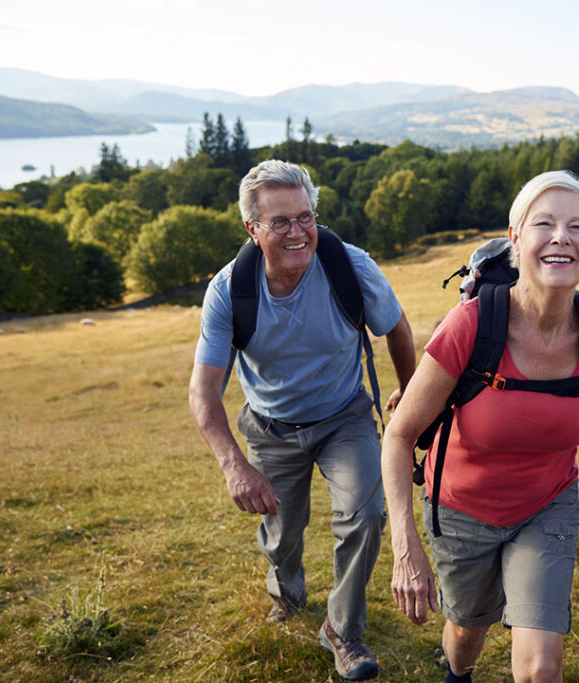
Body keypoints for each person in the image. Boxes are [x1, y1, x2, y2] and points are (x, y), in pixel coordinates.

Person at [381, 170, 579, 682]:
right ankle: (458, 672)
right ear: (516, 240)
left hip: (546, 506)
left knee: (542, 667)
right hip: (460, 509)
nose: (561, 237)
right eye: (544, 223)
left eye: (578, 227)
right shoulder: (473, 325)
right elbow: (399, 434)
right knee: (465, 636)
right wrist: (404, 545)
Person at [189, 160, 416, 682]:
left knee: (365, 516)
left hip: (345, 418)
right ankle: (287, 591)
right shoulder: (229, 290)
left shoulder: (350, 266)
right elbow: (203, 393)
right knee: (282, 535)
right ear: (252, 228)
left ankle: (343, 631)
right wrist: (234, 466)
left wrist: (410, 395)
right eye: (280, 222)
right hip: (270, 428)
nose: (298, 232)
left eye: (305, 217)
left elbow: (398, 329)